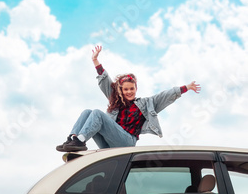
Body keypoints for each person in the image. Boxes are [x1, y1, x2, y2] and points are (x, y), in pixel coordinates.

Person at [56, 45, 201, 152]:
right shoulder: (116, 100)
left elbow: (165, 96)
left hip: (126, 141)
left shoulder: (146, 103)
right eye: (126, 89)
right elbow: (105, 82)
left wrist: (185, 87)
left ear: (136, 88)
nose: (129, 92)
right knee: (88, 111)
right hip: (108, 142)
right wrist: (96, 61)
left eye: (132, 88)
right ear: (121, 90)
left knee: (97, 114)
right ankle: (73, 139)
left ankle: (80, 141)